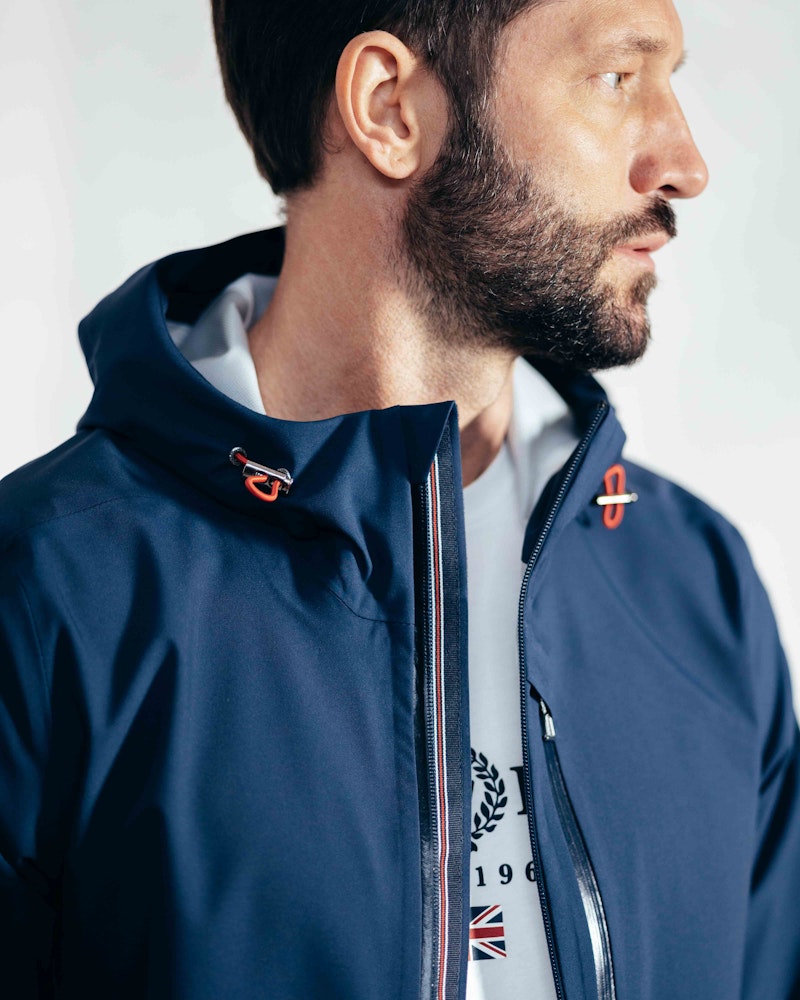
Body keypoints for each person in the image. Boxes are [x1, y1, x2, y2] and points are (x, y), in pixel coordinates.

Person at [1, 0, 798, 996]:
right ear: (390, 110)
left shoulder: (698, 588)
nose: (684, 163)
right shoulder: (49, 593)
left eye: (668, 81)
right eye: (614, 78)